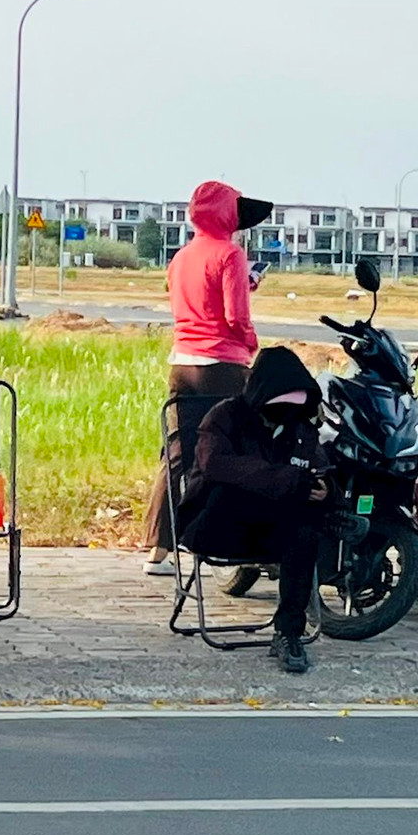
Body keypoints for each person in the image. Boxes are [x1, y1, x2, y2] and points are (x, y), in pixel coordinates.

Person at [176, 346, 335, 674]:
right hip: (217, 524)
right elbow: (217, 465)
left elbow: (316, 467)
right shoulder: (224, 417)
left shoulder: (300, 429)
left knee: (307, 523)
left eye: (295, 407)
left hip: (273, 532)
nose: (287, 414)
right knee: (235, 487)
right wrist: (291, 480)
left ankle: (288, 632)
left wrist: (323, 490)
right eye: (280, 406)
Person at [142, 180, 272, 575]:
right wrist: (251, 344)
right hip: (224, 368)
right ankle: (230, 544)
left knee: (178, 455)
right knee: (239, 452)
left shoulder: (180, 257)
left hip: (182, 364)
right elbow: (235, 318)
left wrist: (244, 284)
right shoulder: (231, 254)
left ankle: (158, 551)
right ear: (227, 214)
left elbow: (194, 301)